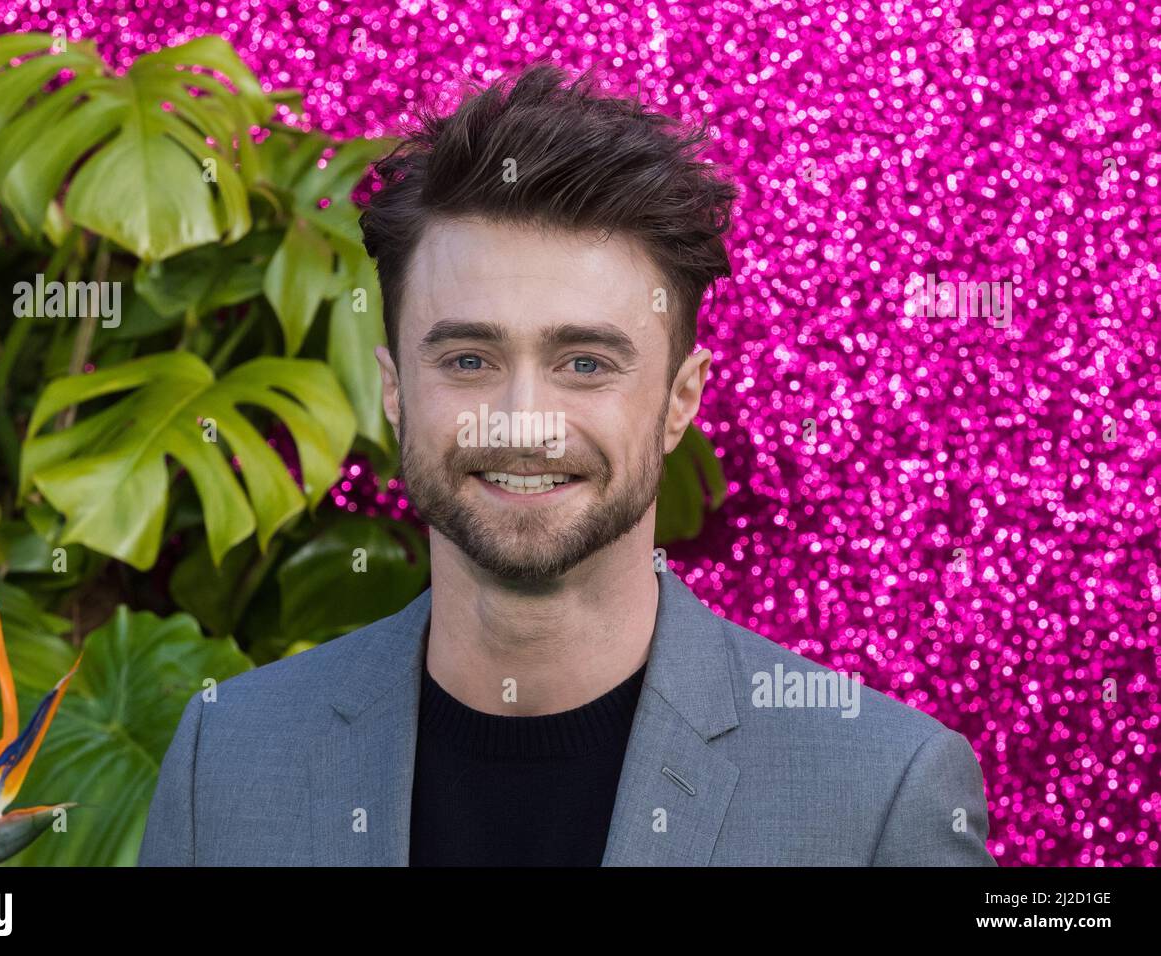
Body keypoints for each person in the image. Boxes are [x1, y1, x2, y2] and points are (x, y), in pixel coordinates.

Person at [139, 63, 995, 866]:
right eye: (468, 360)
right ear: (395, 391)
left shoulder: (881, 794)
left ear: (681, 400)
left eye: (585, 363)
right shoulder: (226, 759)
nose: (525, 423)